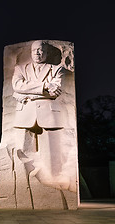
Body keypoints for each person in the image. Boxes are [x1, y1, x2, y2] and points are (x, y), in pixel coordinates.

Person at [12, 40, 72, 191]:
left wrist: (26, 93)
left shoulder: (57, 69)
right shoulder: (20, 68)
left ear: (47, 53)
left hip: (49, 114)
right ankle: (26, 185)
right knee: (24, 152)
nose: (37, 54)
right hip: (25, 114)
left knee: (52, 154)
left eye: (41, 51)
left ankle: (53, 182)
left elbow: (56, 91)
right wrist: (44, 86)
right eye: (34, 51)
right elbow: (17, 86)